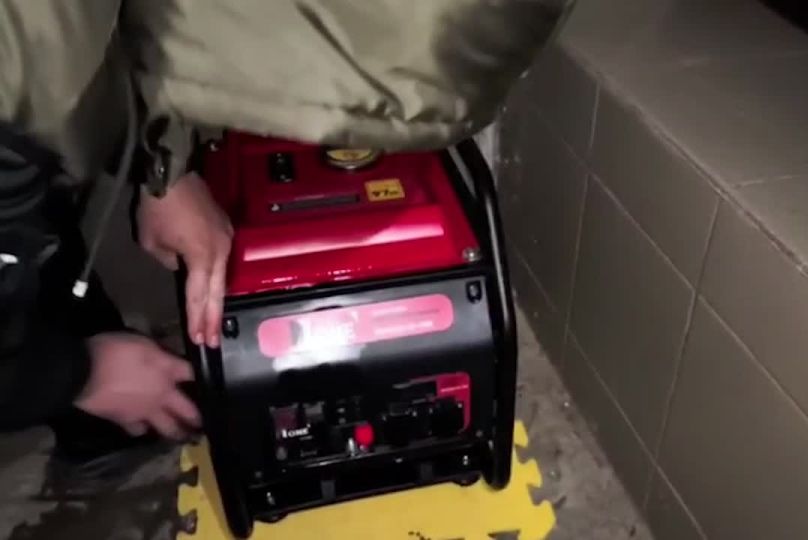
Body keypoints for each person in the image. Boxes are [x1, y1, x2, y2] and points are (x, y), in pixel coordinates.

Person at [0, 0, 572, 476]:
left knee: (43, 244)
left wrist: (165, 169)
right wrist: (76, 375)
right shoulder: (20, 90)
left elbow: (122, 34)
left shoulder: (48, 59)